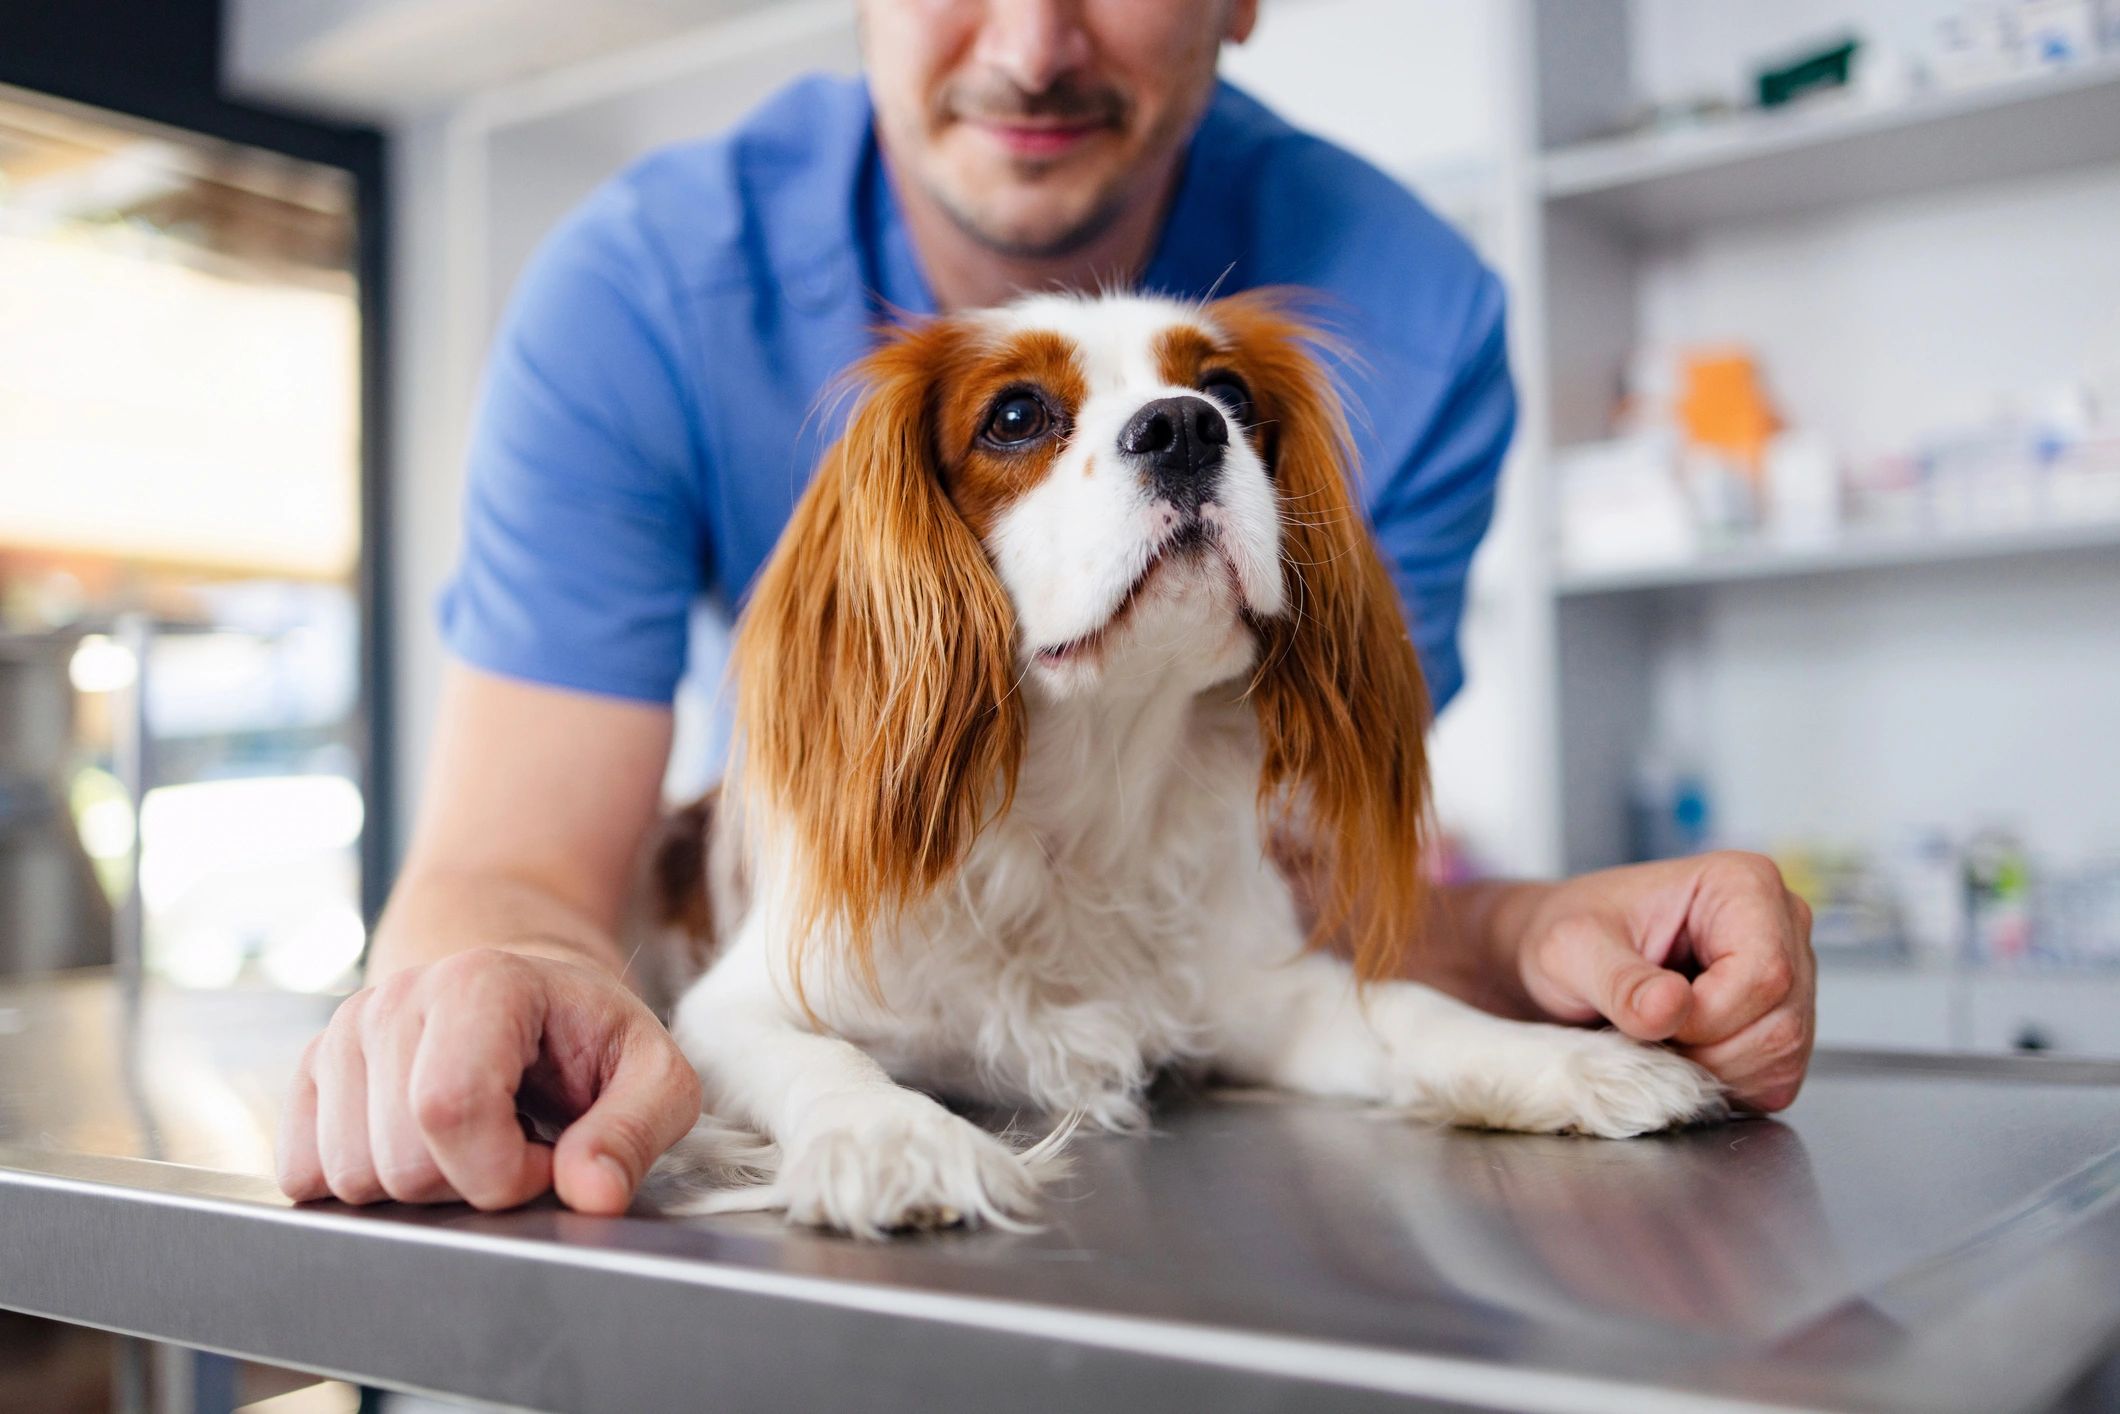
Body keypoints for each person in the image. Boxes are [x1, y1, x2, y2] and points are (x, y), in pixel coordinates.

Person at [277, 0, 1817, 1217]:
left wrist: (1526, 935)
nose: (1030, 40)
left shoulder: (1415, 311)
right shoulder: (642, 287)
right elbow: (515, 872)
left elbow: (1313, 881)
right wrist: (505, 985)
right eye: (1024, 423)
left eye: (1216, 405)